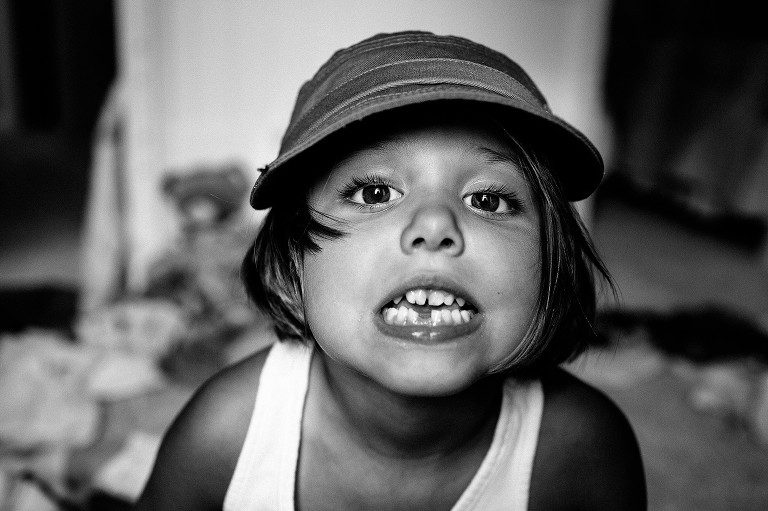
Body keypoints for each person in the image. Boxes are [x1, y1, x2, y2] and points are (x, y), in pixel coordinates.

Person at [135, 31, 646, 510]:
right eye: (375, 193)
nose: (435, 225)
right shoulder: (223, 435)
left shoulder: (585, 450)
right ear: (293, 261)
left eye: (487, 200)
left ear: (552, 264)